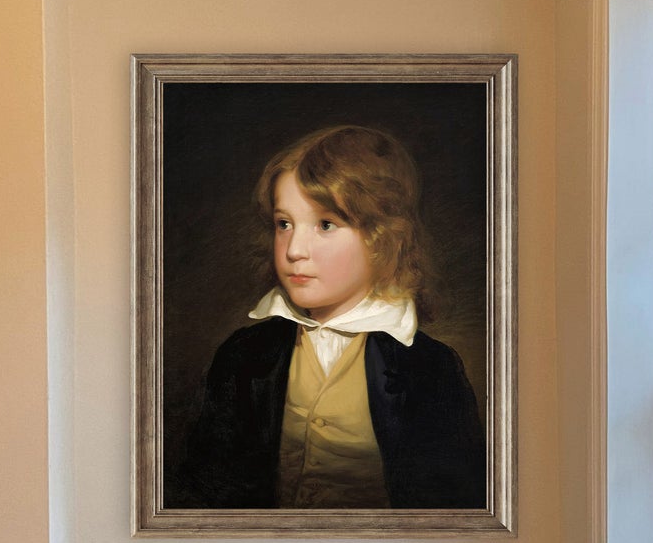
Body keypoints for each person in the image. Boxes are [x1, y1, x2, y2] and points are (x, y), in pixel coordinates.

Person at [170, 124, 487, 511]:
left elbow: (456, 506)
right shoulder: (243, 355)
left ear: (381, 237)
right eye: (284, 224)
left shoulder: (429, 367)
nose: (294, 250)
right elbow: (205, 491)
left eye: (325, 225)